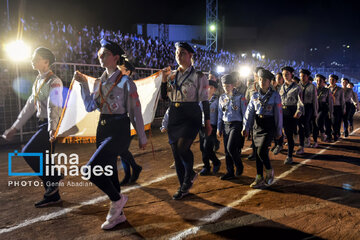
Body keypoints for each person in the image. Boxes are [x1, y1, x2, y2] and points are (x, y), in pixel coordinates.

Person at [74, 39, 147, 230]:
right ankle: (118, 215)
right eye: (99, 54)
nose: (100, 56)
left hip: (119, 130)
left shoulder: (126, 82)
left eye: (104, 54)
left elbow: (135, 111)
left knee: (89, 170)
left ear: (115, 58)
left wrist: (142, 136)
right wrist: (83, 85)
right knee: (109, 171)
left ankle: (118, 199)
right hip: (103, 128)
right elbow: (91, 107)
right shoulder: (98, 82)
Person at [3, 47, 63, 208]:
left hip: (50, 125)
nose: (32, 59)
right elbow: (30, 106)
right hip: (42, 124)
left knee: (28, 151)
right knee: (44, 158)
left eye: (36, 58)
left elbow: (54, 107)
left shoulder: (54, 81)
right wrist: (15, 127)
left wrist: (52, 129)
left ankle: (54, 178)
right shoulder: (38, 81)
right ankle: (53, 195)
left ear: (46, 62)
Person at [161, 42, 210, 200]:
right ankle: (183, 186)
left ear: (190, 55)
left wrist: (207, 122)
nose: (179, 55)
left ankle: (190, 175)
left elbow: (205, 101)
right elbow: (163, 97)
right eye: (177, 53)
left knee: (183, 148)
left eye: (182, 53)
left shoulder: (199, 76)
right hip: (175, 114)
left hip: (191, 115)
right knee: (176, 153)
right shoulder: (171, 75)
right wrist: (163, 80)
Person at [243, 69, 282, 188]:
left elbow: (278, 113)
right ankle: (259, 177)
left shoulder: (275, 95)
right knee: (257, 153)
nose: (262, 82)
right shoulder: (254, 95)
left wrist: (279, 130)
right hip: (257, 125)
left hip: (269, 125)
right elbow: (249, 112)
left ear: (270, 81)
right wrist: (246, 127)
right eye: (260, 79)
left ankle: (269, 171)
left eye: (265, 80)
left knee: (261, 151)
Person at [117, 60, 142, 185]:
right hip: (121, 120)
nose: (118, 70)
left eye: (120, 68)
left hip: (127, 121)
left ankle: (134, 169)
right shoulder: (118, 82)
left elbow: (133, 107)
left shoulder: (128, 83)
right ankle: (130, 173)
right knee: (122, 150)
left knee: (121, 149)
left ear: (127, 71)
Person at [217, 74, 247, 180]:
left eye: (228, 86)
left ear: (233, 85)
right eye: (224, 86)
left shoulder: (240, 96)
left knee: (231, 148)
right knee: (226, 150)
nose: (226, 88)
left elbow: (244, 113)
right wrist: (218, 128)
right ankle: (230, 172)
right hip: (226, 125)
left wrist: (245, 127)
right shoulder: (222, 97)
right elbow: (220, 114)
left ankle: (239, 165)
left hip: (236, 124)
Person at [279, 66, 304, 164]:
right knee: (283, 132)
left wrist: (298, 111)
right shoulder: (282, 87)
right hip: (282, 112)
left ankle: (289, 156)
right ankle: (279, 145)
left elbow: (300, 101)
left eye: (287, 74)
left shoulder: (297, 87)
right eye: (283, 74)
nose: (285, 76)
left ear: (292, 74)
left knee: (289, 135)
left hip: (292, 112)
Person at [199, 80, 221, 176]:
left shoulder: (217, 101)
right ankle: (206, 166)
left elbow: (219, 114)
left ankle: (216, 162)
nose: (208, 89)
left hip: (212, 126)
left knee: (207, 146)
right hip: (202, 126)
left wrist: (219, 128)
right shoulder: (201, 100)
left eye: (211, 88)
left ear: (214, 89)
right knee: (202, 148)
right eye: (207, 87)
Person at [297, 69, 318, 154]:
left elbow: (314, 100)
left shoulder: (312, 87)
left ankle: (307, 138)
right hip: (300, 107)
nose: (302, 78)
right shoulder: (297, 86)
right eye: (301, 76)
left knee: (306, 122)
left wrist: (315, 111)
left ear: (307, 77)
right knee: (300, 125)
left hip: (308, 106)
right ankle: (302, 142)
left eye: (303, 76)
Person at [246, 67, 264, 161]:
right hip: (253, 114)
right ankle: (254, 152)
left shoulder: (267, 86)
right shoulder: (250, 86)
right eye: (254, 75)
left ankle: (262, 152)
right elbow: (247, 99)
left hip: (264, 114)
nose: (255, 77)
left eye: (257, 75)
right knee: (254, 133)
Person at [312, 74, 333, 146]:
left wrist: (331, 112)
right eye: (317, 80)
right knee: (314, 125)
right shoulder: (313, 89)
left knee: (318, 120)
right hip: (314, 107)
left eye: (320, 81)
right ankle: (315, 142)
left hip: (323, 107)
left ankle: (322, 133)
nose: (318, 82)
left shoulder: (327, 90)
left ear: (324, 81)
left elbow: (330, 102)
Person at [328, 74, 345, 141]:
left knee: (336, 122)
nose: (331, 81)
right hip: (328, 107)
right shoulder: (327, 88)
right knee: (328, 122)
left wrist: (343, 109)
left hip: (337, 107)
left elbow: (342, 100)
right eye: (330, 79)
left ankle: (336, 134)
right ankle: (329, 135)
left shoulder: (340, 90)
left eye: (333, 80)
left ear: (336, 81)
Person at [271, 72, 284, 154]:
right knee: (274, 127)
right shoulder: (274, 88)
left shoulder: (284, 87)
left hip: (282, 110)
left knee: (279, 127)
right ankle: (276, 144)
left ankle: (280, 144)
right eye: (277, 78)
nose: (277, 80)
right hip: (274, 110)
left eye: (279, 78)